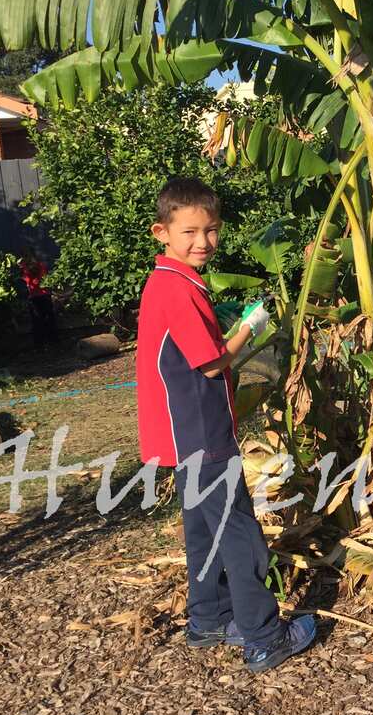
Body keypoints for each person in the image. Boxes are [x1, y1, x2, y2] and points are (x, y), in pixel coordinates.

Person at [135, 176, 316, 674]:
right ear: (161, 232)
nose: (203, 241)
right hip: (200, 428)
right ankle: (264, 636)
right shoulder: (177, 288)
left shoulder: (166, 281)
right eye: (190, 231)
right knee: (237, 531)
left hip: (180, 431)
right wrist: (251, 329)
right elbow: (213, 363)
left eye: (211, 230)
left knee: (202, 527)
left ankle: (209, 618)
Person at [18, 248, 58, 345]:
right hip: (42, 295)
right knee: (47, 319)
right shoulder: (37, 266)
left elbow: (33, 281)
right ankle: (51, 340)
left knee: (38, 321)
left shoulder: (27, 267)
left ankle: (41, 342)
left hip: (37, 296)